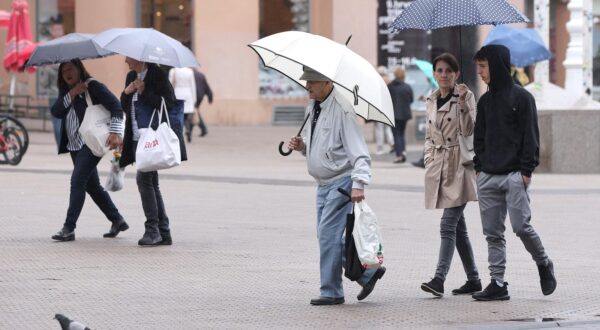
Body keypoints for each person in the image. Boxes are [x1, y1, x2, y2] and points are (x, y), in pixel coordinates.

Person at [287, 66, 386, 306]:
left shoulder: (342, 109)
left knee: (329, 235)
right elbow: (323, 147)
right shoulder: (314, 107)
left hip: (341, 182)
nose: (307, 85)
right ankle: (367, 273)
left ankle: (331, 291)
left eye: (312, 81)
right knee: (325, 236)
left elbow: (359, 152)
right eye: (306, 81)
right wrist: (303, 147)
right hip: (322, 184)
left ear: (327, 82)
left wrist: (359, 184)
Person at [472, 44, 556, 301]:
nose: (479, 72)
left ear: (496, 65)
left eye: (483, 66)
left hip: (514, 176)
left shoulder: (522, 98)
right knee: (493, 234)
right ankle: (497, 283)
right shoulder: (484, 101)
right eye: (477, 67)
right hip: (488, 176)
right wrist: (480, 168)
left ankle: (543, 262)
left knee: (521, 227)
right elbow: (480, 138)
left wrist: (526, 171)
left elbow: (531, 137)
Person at [419, 53, 482, 297]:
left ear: (456, 74)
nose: (444, 75)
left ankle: (439, 278)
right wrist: (428, 159)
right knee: (458, 229)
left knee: (447, 224)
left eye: (448, 71)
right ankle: (474, 279)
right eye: (439, 70)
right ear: (434, 74)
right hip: (439, 167)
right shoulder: (432, 99)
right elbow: (428, 136)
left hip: (460, 167)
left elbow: (469, 130)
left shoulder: (465, 97)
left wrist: (465, 102)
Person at [50, 59, 128, 241]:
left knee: (77, 181)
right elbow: (56, 112)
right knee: (92, 186)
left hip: (91, 144)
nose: (67, 73)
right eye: (64, 71)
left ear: (79, 69)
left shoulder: (94, 86)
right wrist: (72, 93)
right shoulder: (66, 90)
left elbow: (117, 107)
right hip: (74, 145)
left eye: (71, 69)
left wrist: (116, 132)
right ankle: (117, 220)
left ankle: (68, 228)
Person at [119, 58, 187, 246]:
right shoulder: (131, 76)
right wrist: (127, 91)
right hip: (136, 136)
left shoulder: (157, 75)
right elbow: (124, 106)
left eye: (128, 57)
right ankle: (163, 231)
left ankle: (152, 230)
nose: (126, 61)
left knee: (144, 179)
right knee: (151, 182)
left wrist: (144, 91)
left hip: (152, 136)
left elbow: (169, 103)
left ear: (139, 58)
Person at [388, 67, 413, 163]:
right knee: (402, 133)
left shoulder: (390, 86)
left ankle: (399, 155)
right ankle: (403, 152)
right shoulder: (407, 87)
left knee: (396, 134)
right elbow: (411, 99)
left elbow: (387, 99)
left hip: (394, 114)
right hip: (405, 114)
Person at [169, 66, 197, 143]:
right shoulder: (190, 71)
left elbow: (170, 84)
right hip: (188, 94)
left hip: (178, 93)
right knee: (188, 115)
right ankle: (188, 129)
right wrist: (194, 99)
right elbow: (193, 86)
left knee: (180, 115)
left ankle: (181, 131)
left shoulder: (173, 71)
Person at [374, 66, 394, 155]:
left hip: (379, 108)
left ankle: (380, 148)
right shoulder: (390, 82)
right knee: (387, 127)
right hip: (388, 108)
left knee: (379, 129)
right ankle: (392, 142)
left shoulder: (376, 82)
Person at [192, 67, 213, 137]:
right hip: (200, 96)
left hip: (193, 96)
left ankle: (202, 128)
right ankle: (202, 129)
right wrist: (210, 97)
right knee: (194, 112)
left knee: (193, 112)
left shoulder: (191, 74)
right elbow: (207, 87)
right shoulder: (201, 75)